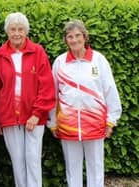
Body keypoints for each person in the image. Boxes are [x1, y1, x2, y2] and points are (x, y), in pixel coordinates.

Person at [48, 19, 122, 187]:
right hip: (68, 125)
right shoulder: (60, 62)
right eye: (69, 36)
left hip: (95, 124)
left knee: (96, 167)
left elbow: (110, 90)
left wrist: (111, 120)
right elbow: (53, 95)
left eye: (77, 35)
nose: (74, 40)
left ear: (85, 37)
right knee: (72, 168)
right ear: (65, 40)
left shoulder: (99, 60)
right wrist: (52, 122)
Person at [0, 12, 56, 187]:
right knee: (17, 160)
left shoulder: (37, 51)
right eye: (13, 29)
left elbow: (47, 86)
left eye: (20, 29)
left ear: (26, 31)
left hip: (34, 115)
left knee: (33, 159)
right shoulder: (0, 54)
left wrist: (37, 114)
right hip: (9, 116)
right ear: (7, 31)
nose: (17, 33)